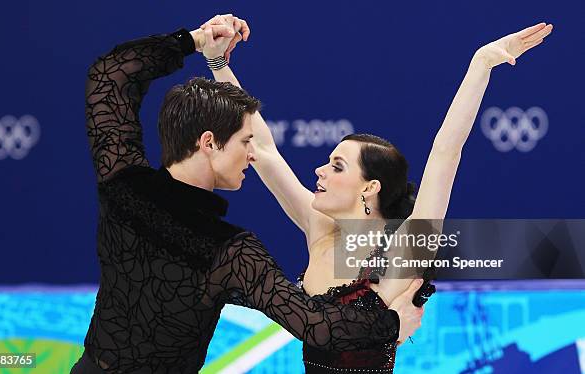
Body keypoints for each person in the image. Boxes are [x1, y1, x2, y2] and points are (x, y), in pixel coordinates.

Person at [71, 14, 427, 374]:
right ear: (209, 142)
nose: (251, 153)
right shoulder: (231, 252)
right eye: (244, 142)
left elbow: (109, 75)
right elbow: (318, 327)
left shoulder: (121, 181)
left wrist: (195, 41)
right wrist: (391, 322)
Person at [204, 15, 553, 373]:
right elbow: (262, 148)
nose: (319, 172)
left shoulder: (401, 252)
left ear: (370, 188)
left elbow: (446, 153)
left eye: (337, 166)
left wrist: (481, 64)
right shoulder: (320, 228)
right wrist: (218, 62)